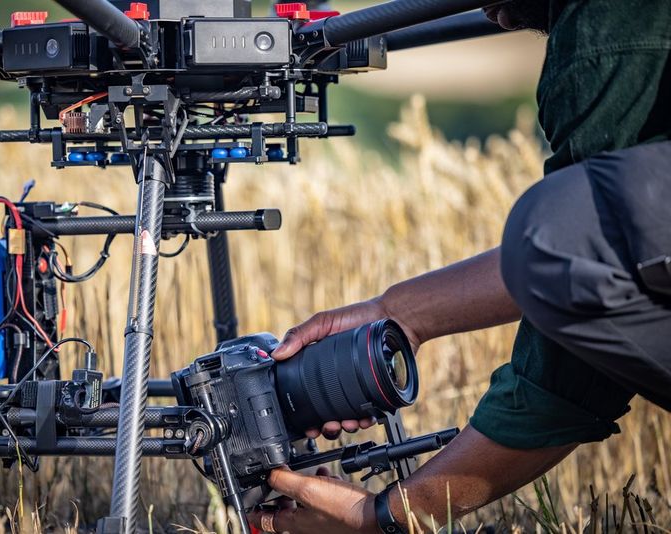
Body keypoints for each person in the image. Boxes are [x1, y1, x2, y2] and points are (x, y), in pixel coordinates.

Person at [249, 0, 671, 532]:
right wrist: (398, 313)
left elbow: (581, 274)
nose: (480, 9)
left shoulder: (611, 18)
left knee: (562, 222)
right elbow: (607, 254)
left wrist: (385, 515)